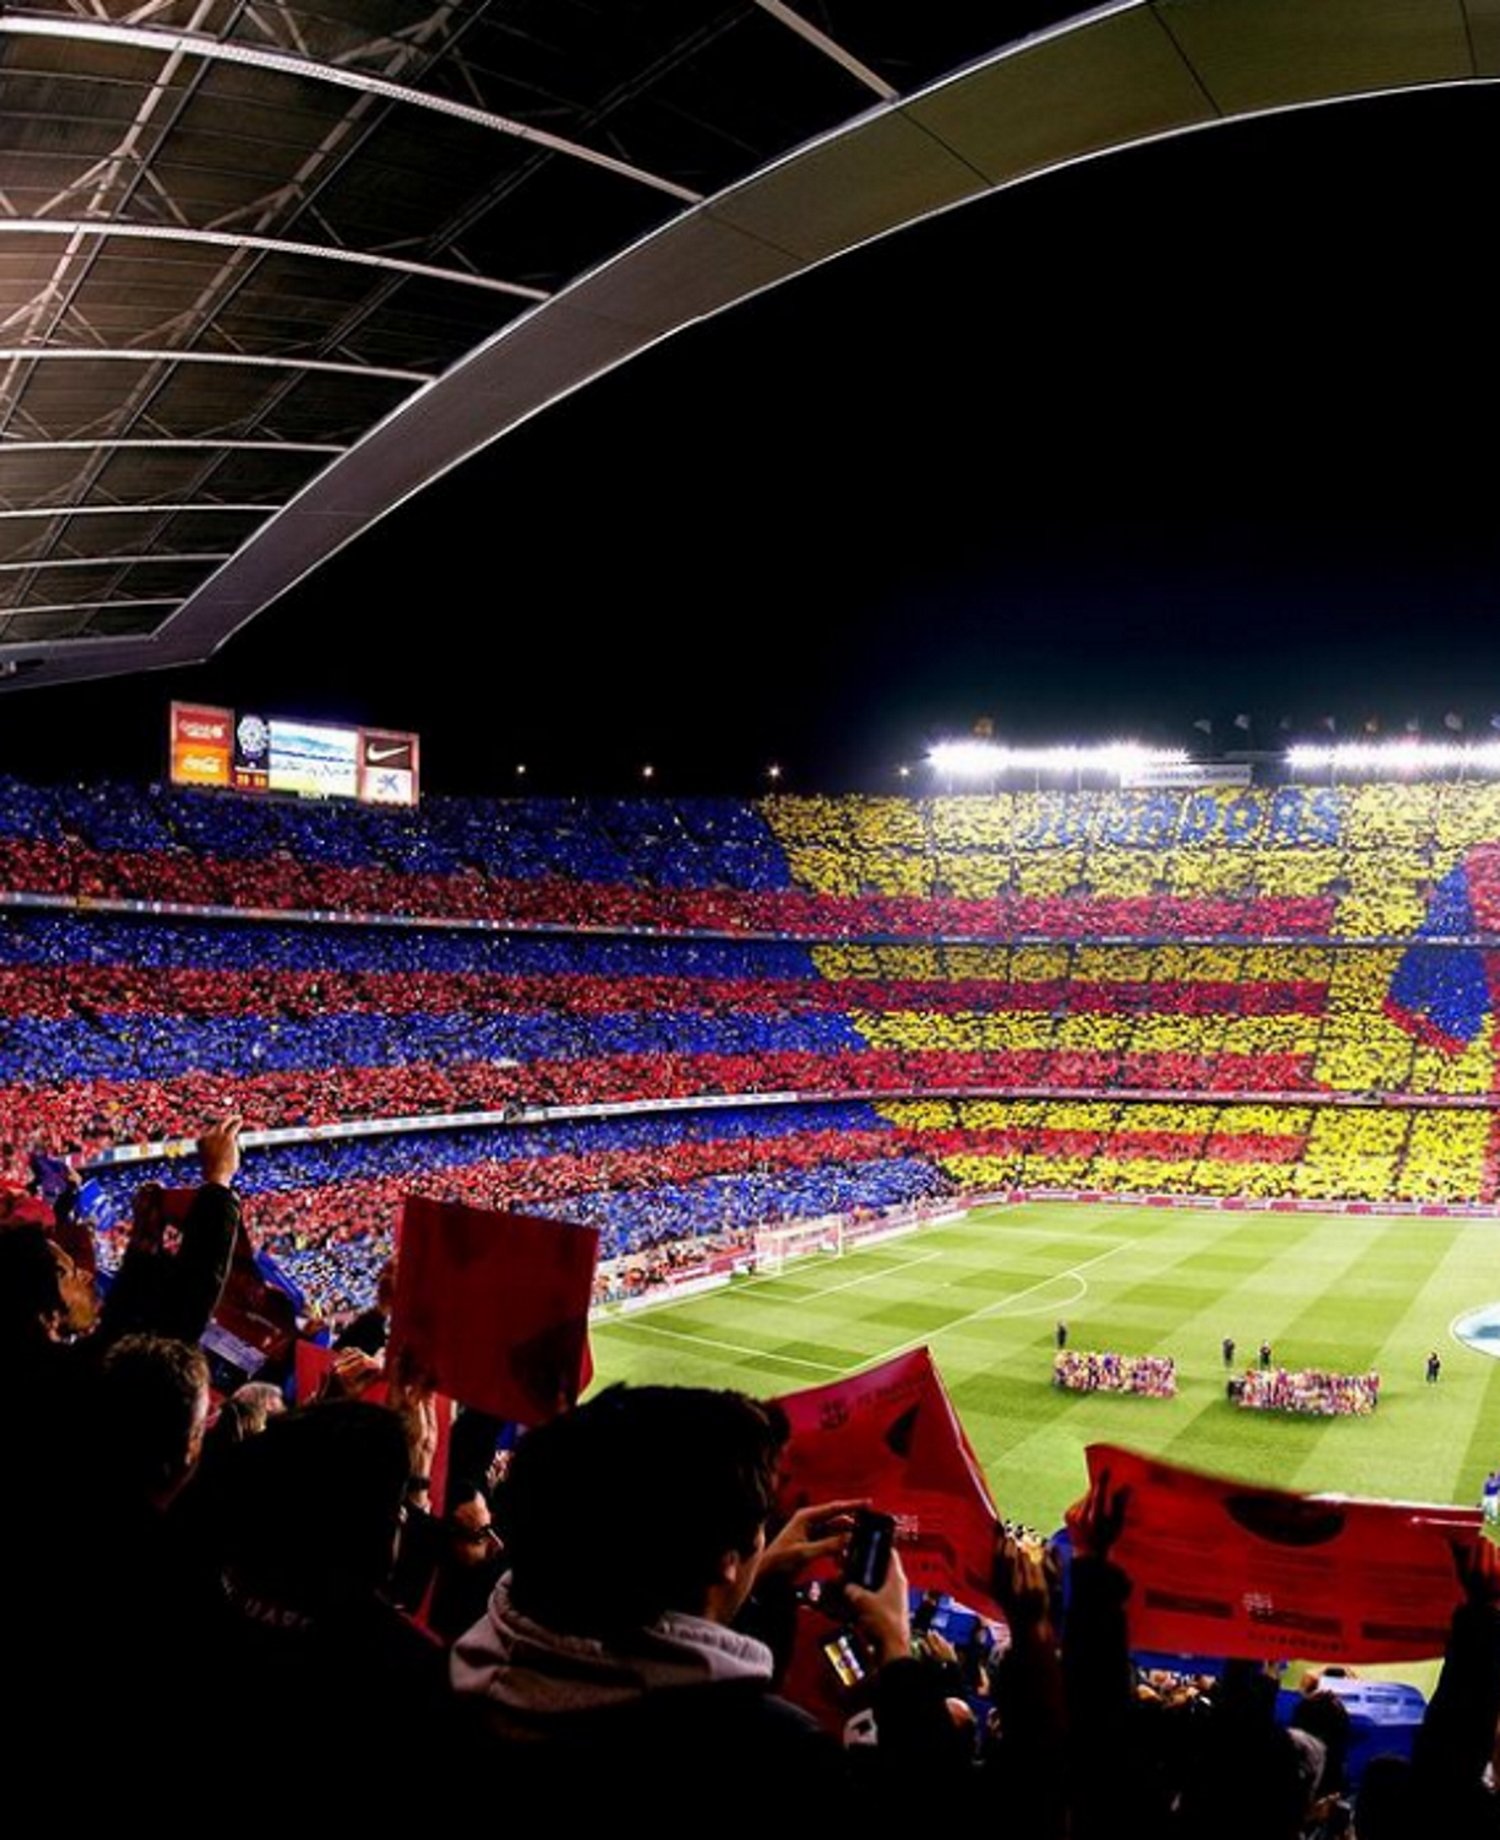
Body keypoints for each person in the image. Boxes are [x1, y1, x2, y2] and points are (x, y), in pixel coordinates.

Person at [451, 1383, 965, 1811]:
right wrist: (897, 1652)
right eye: (760, 1522)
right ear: (725, 1559)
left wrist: (757, 1575)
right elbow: (929, 1834)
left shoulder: (464, 1659)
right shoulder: (774, 1756)